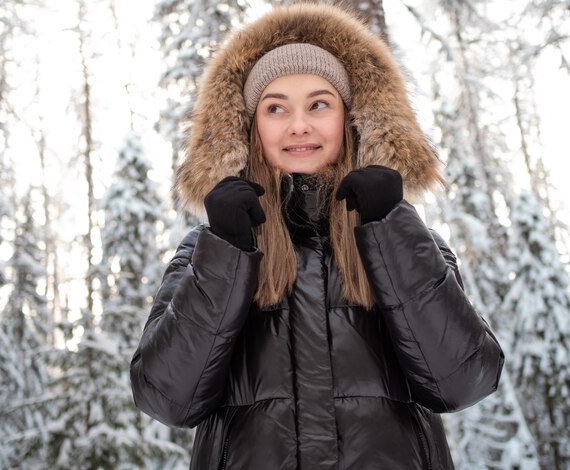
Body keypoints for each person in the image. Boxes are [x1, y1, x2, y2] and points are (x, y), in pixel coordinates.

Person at [130, 4, 504, 469]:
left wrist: (390, 228)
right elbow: (166, 399)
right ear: (250, 128)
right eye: (275, 108)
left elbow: (464, 382)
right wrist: (226, 252)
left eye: (319, 104)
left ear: (351, 118)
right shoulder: (206, 250)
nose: (299, 125)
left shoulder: (405, 236)